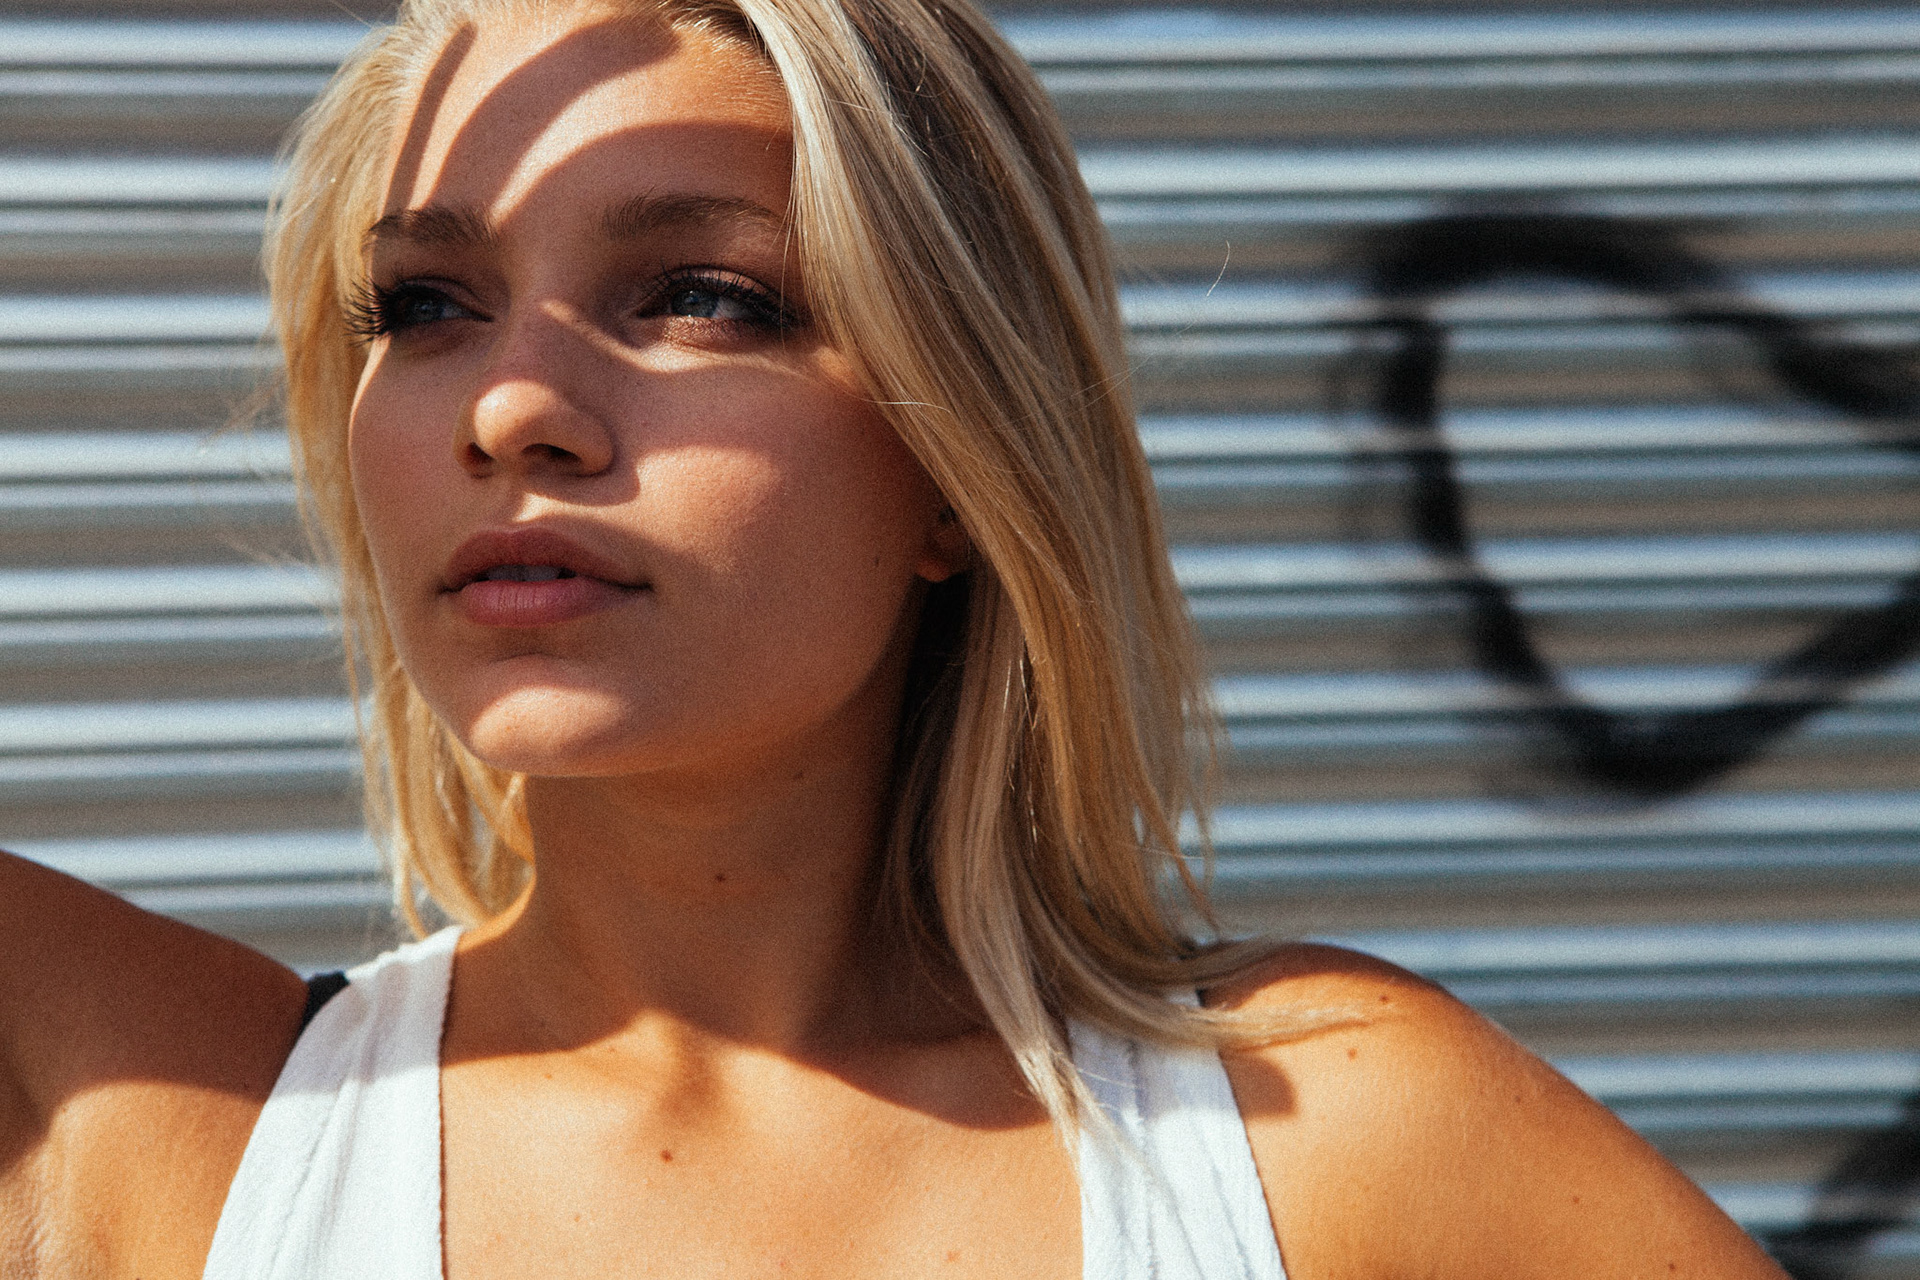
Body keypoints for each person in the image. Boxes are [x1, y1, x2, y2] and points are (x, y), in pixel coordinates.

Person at [0, 0, 1790, 1275]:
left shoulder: (1330, 1139)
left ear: (956, 458)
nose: (512, 406)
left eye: (702, 294)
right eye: (425, 303)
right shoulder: (141, 1121)